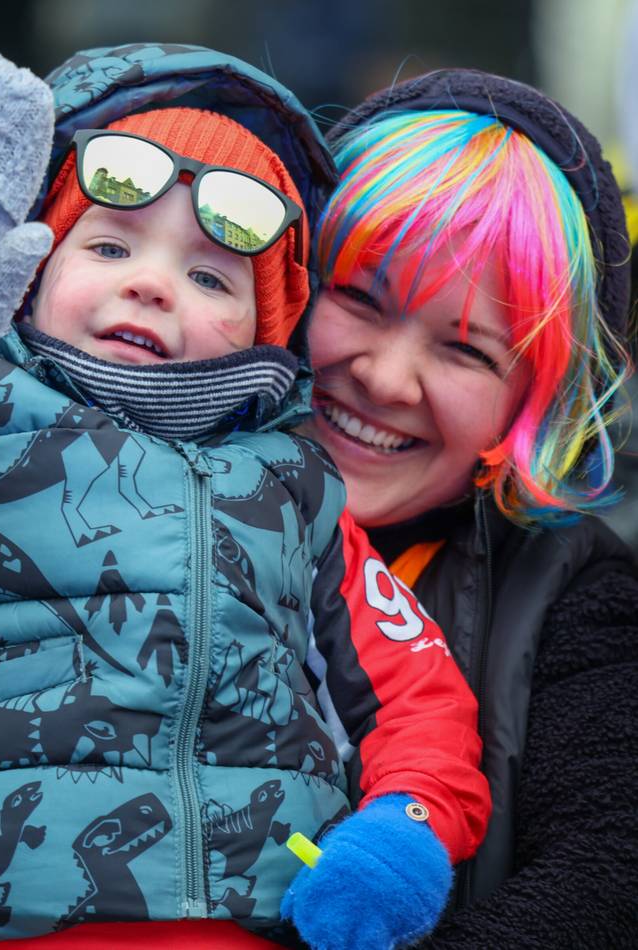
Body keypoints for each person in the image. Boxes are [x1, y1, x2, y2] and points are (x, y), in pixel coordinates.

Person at [0, 47, 490, 949]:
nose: (150, 283)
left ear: (266, 335)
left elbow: (421, 701)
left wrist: (405, 834)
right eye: (109, 244)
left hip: (237, 928)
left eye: (209, 278)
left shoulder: (299, 493)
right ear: (32, 273)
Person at [302, 68, 638, 948]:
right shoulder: (99, 465)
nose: (383, 377)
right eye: (357, 298)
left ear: (535, 403)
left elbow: (605, 877)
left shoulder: (577, 602)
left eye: (464, 349)